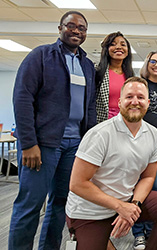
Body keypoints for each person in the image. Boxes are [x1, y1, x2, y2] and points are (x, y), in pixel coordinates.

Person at [65, 77, 157, 250]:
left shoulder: (152, 133)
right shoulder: (100, 134)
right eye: (129, 97)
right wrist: (120, 206)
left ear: (148, 102)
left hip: (127, 199)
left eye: (140, 97)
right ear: (120, 101)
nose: (135, 102)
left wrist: (134, 205)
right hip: (90, 211)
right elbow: (77, 184)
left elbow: (148, 177)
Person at [9, 11, 96, 250]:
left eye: (82, 28)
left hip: (74, 145)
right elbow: (22, 98)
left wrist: (87, 144)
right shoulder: (41, 56)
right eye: (72, 26)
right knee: (30, 205)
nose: (77, 31)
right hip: (42, 145)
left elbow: (89, 107)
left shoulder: (87, 65)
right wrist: (28, 143)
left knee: (61, 203)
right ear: (60, 28)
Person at [131, 51, 157, 249]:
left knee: (156, 187)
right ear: (147, 63)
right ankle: (138, 232)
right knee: (137, 187)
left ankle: (151, 228)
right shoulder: (140, 84)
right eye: (153, 61)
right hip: (138, 142)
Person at [95, 31, 134, 123]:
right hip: (102, 121)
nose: (118, 47)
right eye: (113, 44)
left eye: (123, 45)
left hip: (125, 121)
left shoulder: (130, 76)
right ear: (106, 49)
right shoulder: (97, 72)